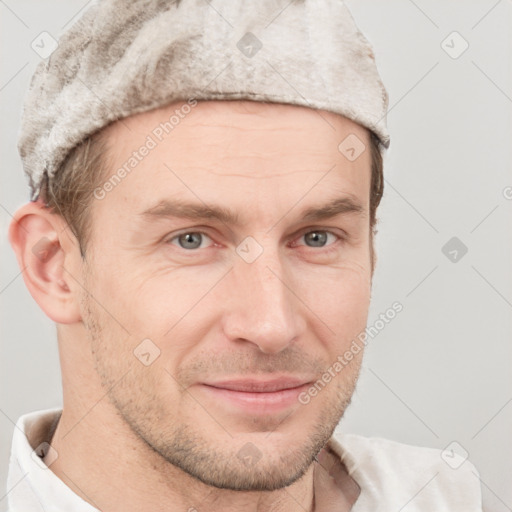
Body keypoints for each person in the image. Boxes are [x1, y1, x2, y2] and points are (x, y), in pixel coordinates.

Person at [6, 1, 483, 510]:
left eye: (317, 237)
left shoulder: (443, 496)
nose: (271, 325)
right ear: (53, 266)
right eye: (191, 239)